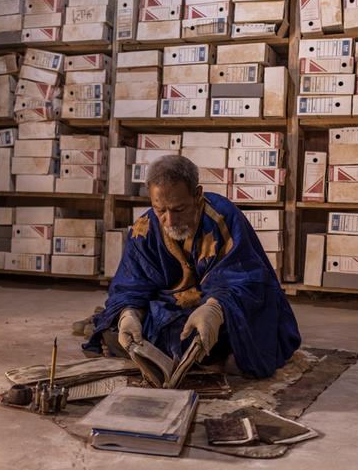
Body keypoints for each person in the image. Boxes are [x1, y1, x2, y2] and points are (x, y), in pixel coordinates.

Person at [83, 154, 301, 378]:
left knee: (244, 337)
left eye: (178, 209)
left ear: (197, 195)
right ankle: (203, 361)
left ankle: (203, 357)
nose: (169, 220)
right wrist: (129, 315)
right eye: (160, 210)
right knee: (118, 328)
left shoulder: (223, 218)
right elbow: (130, 285)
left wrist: (215, 309)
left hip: (216, 311)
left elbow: (248, 280)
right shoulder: (144, 229)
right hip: (170, 313)